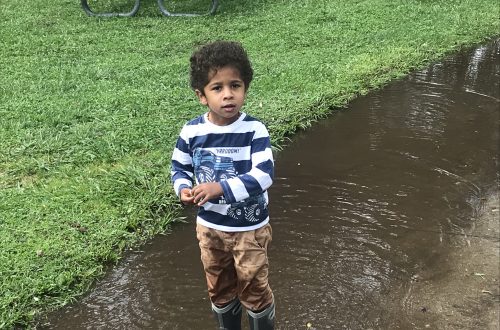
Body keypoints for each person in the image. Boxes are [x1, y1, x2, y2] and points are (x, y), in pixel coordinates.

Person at [171, 40, 275, 330]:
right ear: (201, 95)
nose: (228, 95)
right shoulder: (192, 131)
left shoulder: (254, 130)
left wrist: (219, 188)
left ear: (245, 88)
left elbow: (264, 175)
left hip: (249, 230)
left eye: (235, 85)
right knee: (218, 287)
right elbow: (179, 167)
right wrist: (183, 188)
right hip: (210, 228)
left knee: (255, 289)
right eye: (217, 88)